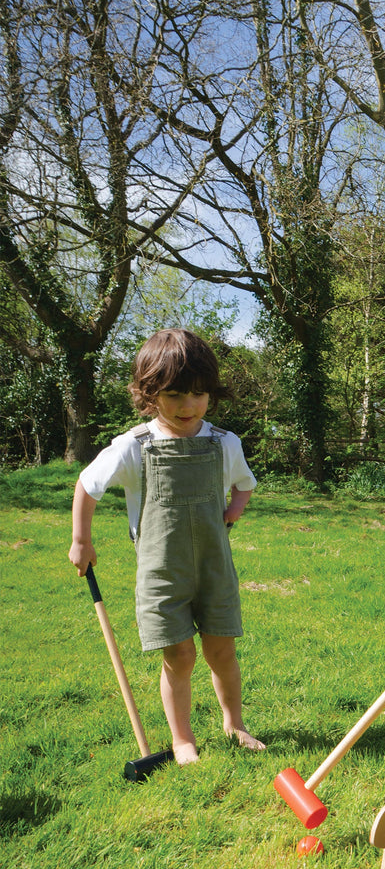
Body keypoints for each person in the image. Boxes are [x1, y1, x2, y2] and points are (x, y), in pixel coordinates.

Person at [69, 328, 265, 766]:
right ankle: (182, 740)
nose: (188, 406)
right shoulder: (135, 447)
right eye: (175, 394)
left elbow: (245, 484)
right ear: (149, 393)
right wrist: (82, 540)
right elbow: (87, 484)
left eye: (199, 394)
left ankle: (233, 723)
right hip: (162, 573)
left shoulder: (223, 442)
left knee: (222, 650)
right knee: (178, 655)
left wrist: (233, 511)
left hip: (215, 568)